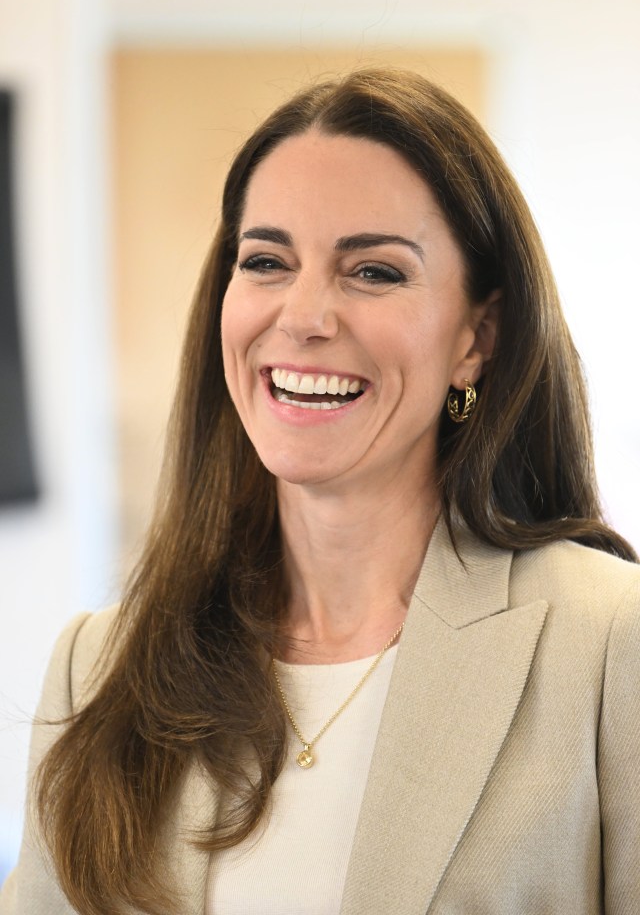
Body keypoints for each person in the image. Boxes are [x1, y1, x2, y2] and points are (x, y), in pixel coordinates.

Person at [2, 68, 639, 915]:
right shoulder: (98, 666)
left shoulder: (608, 643)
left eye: (373, 272)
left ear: (476, 339)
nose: (302, 315)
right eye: (266, 261)